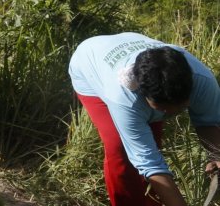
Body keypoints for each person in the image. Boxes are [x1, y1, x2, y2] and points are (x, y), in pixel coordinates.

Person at [69, 32, 220, 206]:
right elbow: (149, 162)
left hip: (130, 45)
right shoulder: (124, 98)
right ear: (144, 95)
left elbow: (208, 121)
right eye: (163, 108)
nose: (172, 112)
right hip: (90, 63)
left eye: (181, 104)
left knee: (150, 145)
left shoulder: (202, 80)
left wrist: (216, 154)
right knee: (120, 148)